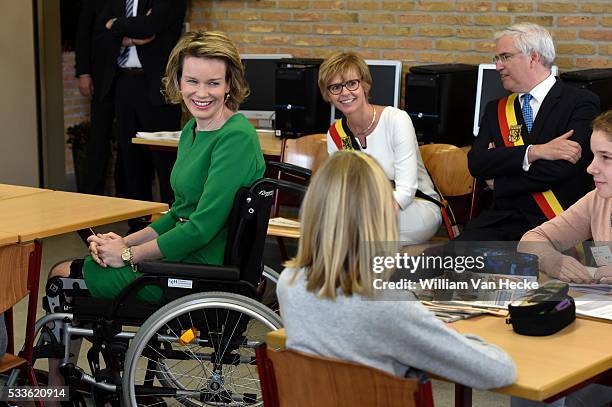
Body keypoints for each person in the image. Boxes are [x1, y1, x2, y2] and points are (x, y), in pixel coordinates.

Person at [45, 30, 265, 393]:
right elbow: (177, 212)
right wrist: (121, 242)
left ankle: (54, 390)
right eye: (191, 80)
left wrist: (129, 255)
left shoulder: (236, 137)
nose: (201, 92)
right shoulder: (195, 128)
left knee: (60, 277)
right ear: (178, 81)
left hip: (197, 270)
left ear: (230, 85)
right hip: (184, 255)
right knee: (84, 265)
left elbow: (199, 228)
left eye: (213, 83)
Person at [277, 151, 516, 390]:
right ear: (379, 215)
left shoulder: (289, 283)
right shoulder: (388, 304)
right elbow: (499, 372)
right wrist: (445, 334)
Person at [463, 23, 600, 241]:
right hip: (499, 220)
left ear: (533, 58)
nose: (498, 66)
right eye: (496, 58)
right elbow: (477, 163)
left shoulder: (580, 103)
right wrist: (535, 152)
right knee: (439, 261)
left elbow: (562, 168)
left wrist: (500, 182)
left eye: (505, 57)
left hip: (555, 221)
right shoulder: (495, 109)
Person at [318, 52, 441, 245]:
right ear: (328, 95)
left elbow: (406, 190)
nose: (345, 93)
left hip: (414, 207)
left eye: (352, 83)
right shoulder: (335, 134)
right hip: (363, 212)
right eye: (335, 87)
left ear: (365, 84)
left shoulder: (396, 120)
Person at [97, 0, 187, 205]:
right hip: (124, 83)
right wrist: (131, 32)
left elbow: (150, 26)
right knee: (131, 162)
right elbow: (101, 34)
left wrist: (116, 25)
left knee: (166, 163)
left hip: (158, 86)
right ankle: (137, 226)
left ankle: (173, 225)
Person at [519, 110, 612, 285]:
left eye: (606, 157)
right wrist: (552, 261)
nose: (591, 168)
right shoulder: (598, 200)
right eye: (594, 156)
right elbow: (531, 240)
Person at [75, 0, 118, 195]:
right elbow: (83, 33)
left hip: (134, 79)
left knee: (130, 144)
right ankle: (91, 198)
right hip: (101, 76)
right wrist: (84, 72)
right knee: (98, 140)